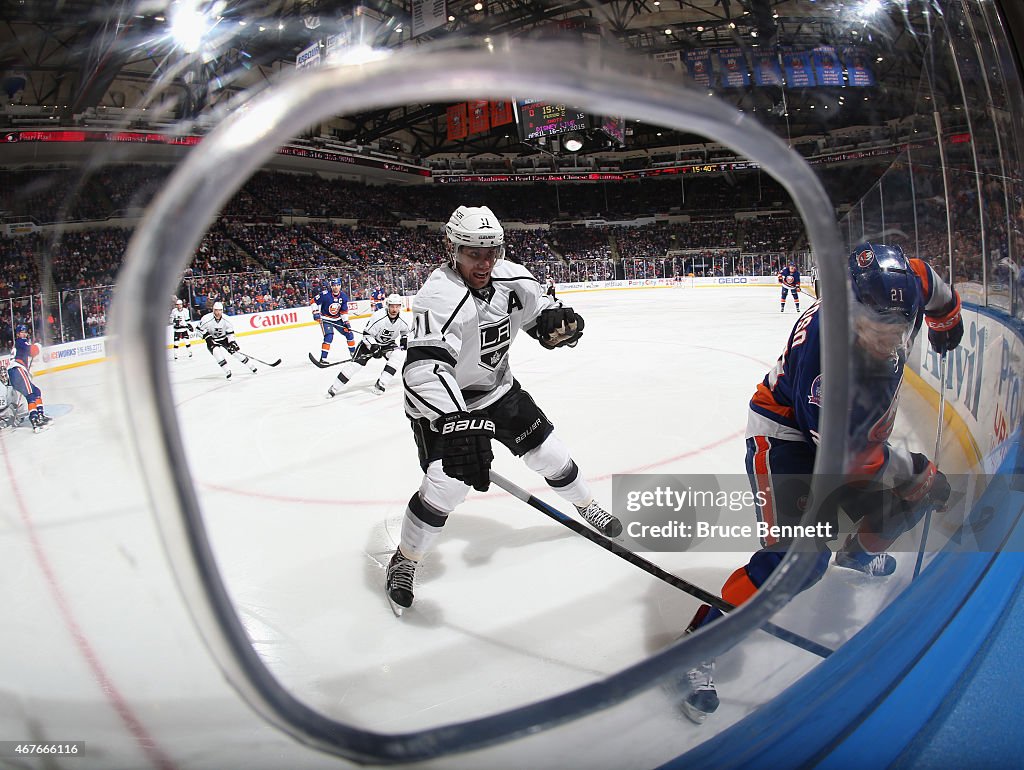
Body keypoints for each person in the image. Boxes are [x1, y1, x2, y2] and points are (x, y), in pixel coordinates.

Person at [677, 242, 964, 724]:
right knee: (799, 560)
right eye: (877, 324)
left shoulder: (900, 283)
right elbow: (851, 460)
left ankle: (860, 552)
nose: (890, 335)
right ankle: (694, 646)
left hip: (844, 439)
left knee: (915, 493)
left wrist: (945, 320)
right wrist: (917, 471)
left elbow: (932, 284)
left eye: (899, 322)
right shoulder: (826, 361)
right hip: (788, 438)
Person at [384, 205, 621, 615]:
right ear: (452, 248)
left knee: (552, 455)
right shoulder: (438, 296)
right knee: (448, 485)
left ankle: (586, 506)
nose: (486, 262)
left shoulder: (511, 275)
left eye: (492, 250)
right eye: (475, 253)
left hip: (499, 391)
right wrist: (456, 422)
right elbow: (423, 370)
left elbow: (538, 309)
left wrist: (552, 323)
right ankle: (405, 558)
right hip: (446, 406)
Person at [327, 294, 410, 397]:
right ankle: (334, 388)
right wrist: (374, 346)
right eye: (392, 306)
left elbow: (405, 332)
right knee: (355, 365)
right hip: (370, 343)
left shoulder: (403, 319)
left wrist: (404, 339)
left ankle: (381, 384)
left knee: (398, 354)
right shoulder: (378, 316)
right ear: (388, 305)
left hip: (387, 344)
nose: (394, 309)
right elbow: (366, 335)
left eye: (397, 306)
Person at [197, 302, 257, 380]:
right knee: (217, 353)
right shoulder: (206, 319)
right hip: (212, 340)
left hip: (224, 339)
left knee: (236, 352)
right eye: (216, 310)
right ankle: (227, 371)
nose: (218, 313)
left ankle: (251, 365)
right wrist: (206, 337)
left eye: (220, 310)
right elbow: (198, 330)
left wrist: (232, 342)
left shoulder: (227, 319)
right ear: (213, 310)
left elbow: (230, 333)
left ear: (222, 310)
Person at [8, 324, 48, 432]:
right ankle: (35, 421)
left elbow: (28, 353)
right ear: (18, 334)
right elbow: (33, 351)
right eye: (22, 332)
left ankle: (40, 415)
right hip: (17, 369)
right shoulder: (21, 341)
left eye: (25, 332)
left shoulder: (19, 344)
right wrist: (38, 346)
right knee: (31, 394)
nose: (24, 334)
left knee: (35, 391)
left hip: (15, 372)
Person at [310, 278, 355, 366]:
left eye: (338, 285)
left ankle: (353, 354)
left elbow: (343, 311)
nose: (336, 287)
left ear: (340, 286)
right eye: (334, 285)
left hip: (337, 319)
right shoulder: (325, 294)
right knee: (329, 336)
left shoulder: (343, 296)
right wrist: (315, 312)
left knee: (349, 334)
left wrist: (346, 322)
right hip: (326, 319)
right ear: (331, 286)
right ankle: (323, 359)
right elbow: (313, 301)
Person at [0, 363, 29, 431]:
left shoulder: (12, 382)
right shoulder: (1, 389)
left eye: (5, 376)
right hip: (3, 410)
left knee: (22, 408)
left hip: (9, 407)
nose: (4, 378)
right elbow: (2, 408)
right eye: (2, 376)